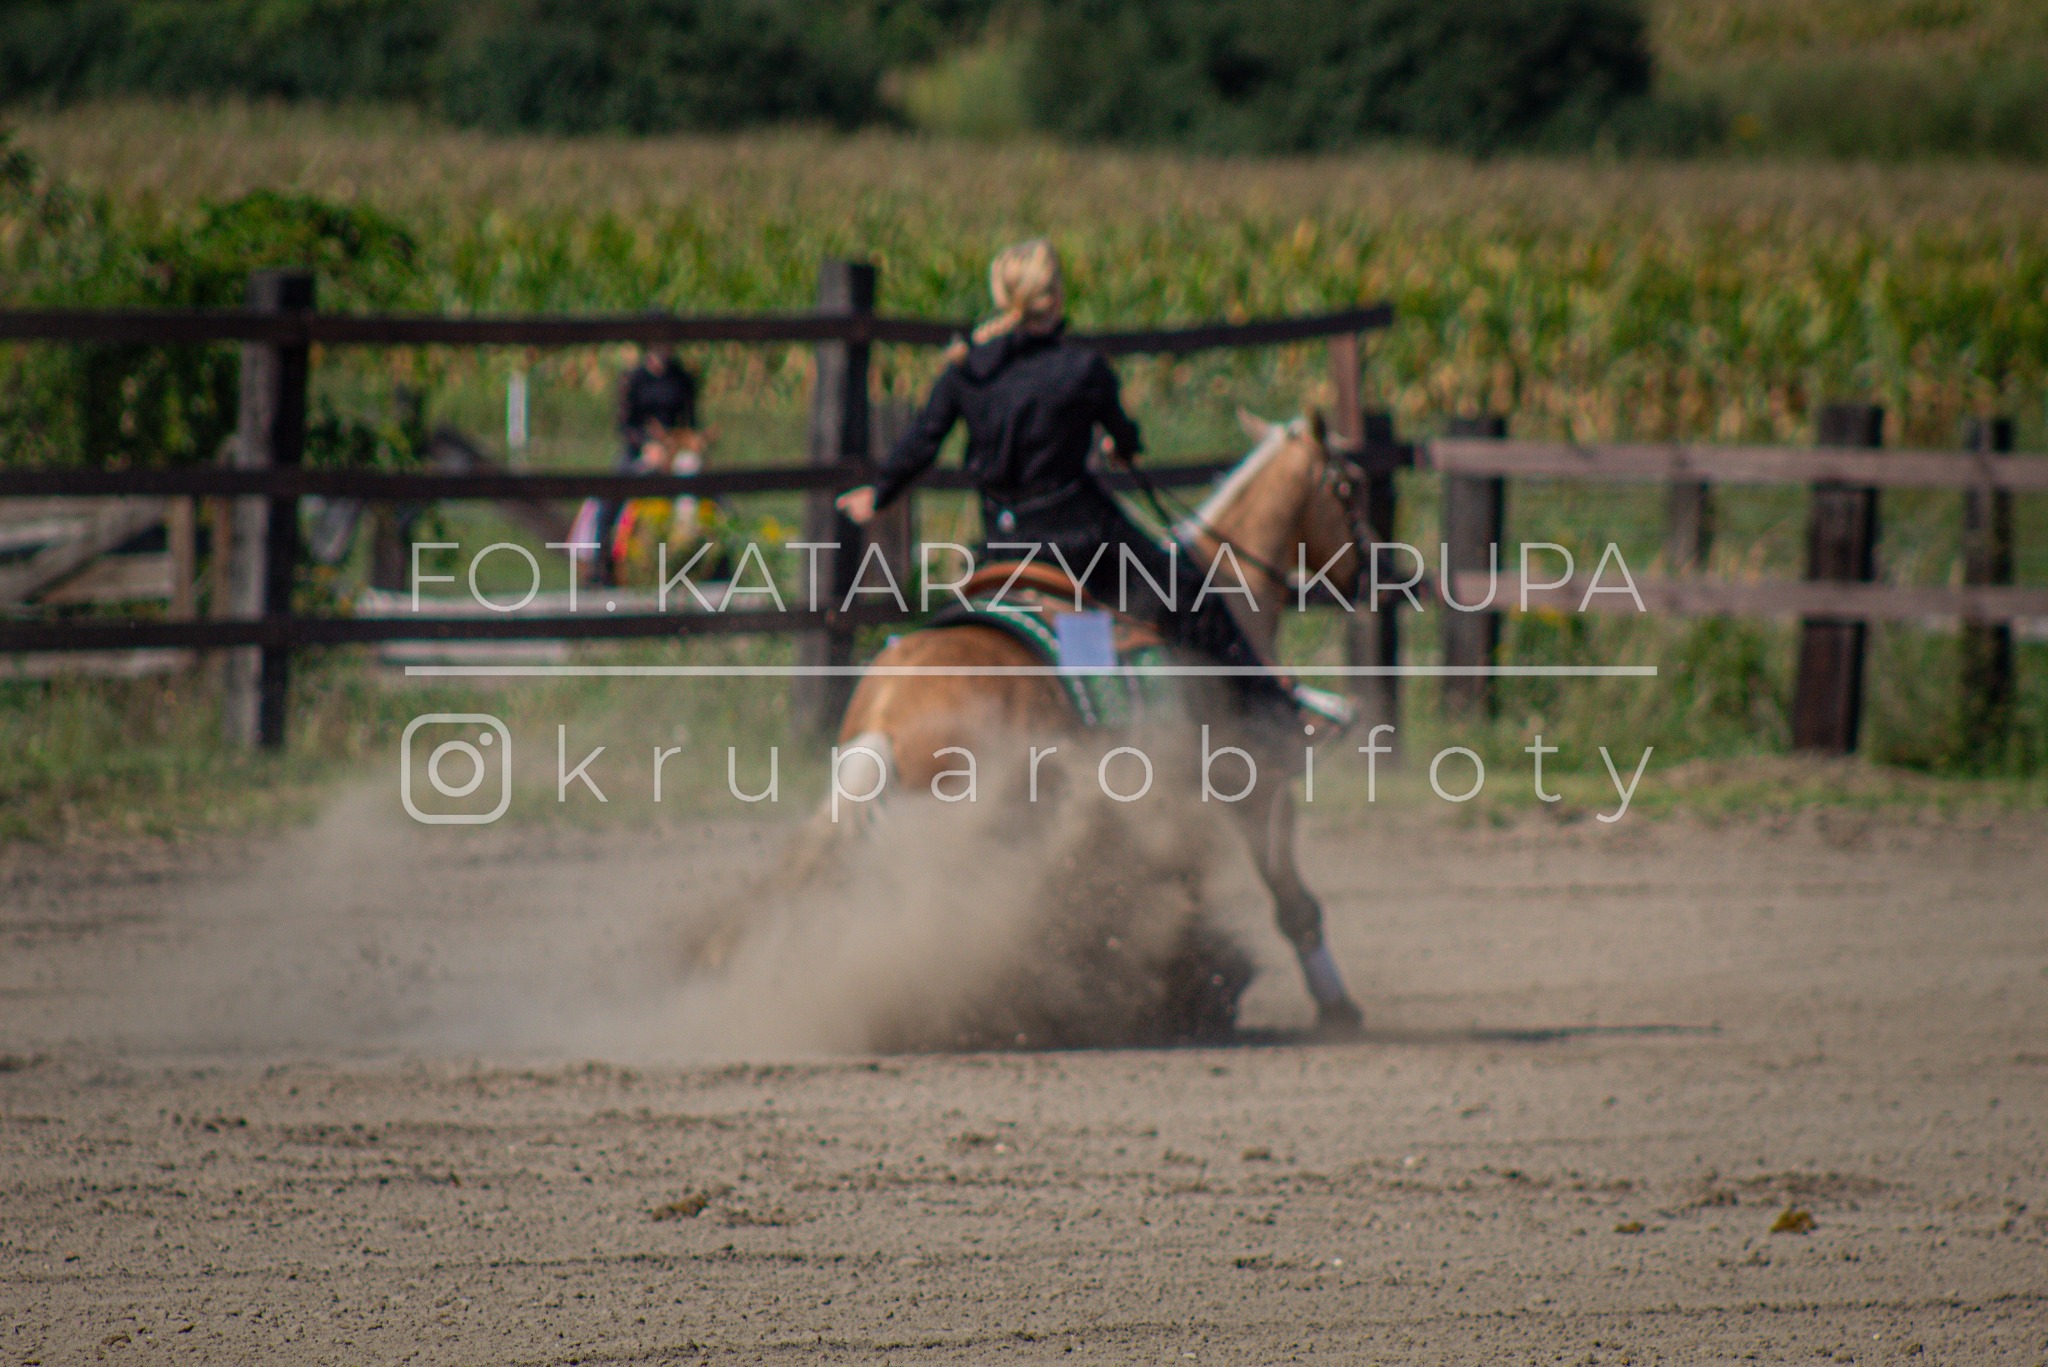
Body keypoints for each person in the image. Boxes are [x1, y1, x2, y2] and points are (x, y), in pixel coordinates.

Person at [836, 238, 1338, 733]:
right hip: (1082, 546)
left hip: (1001, 547)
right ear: (1054, 297)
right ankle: (1274, 716)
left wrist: (879, 494)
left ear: (1001, 295)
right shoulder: (1083, 369)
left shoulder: (967, 371)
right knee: (1193, 594)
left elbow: (922, 442)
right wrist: (1122, 444)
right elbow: (1124, 437)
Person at [591, 347, 700, 585]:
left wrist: (678, 444)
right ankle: (600, 566)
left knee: (715, 493)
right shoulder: (633, 379)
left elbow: (691, 423)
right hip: (640, 451)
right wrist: (647, 445)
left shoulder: (682, 379)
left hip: (676, 450)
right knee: (608, 499)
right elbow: (625, 426)